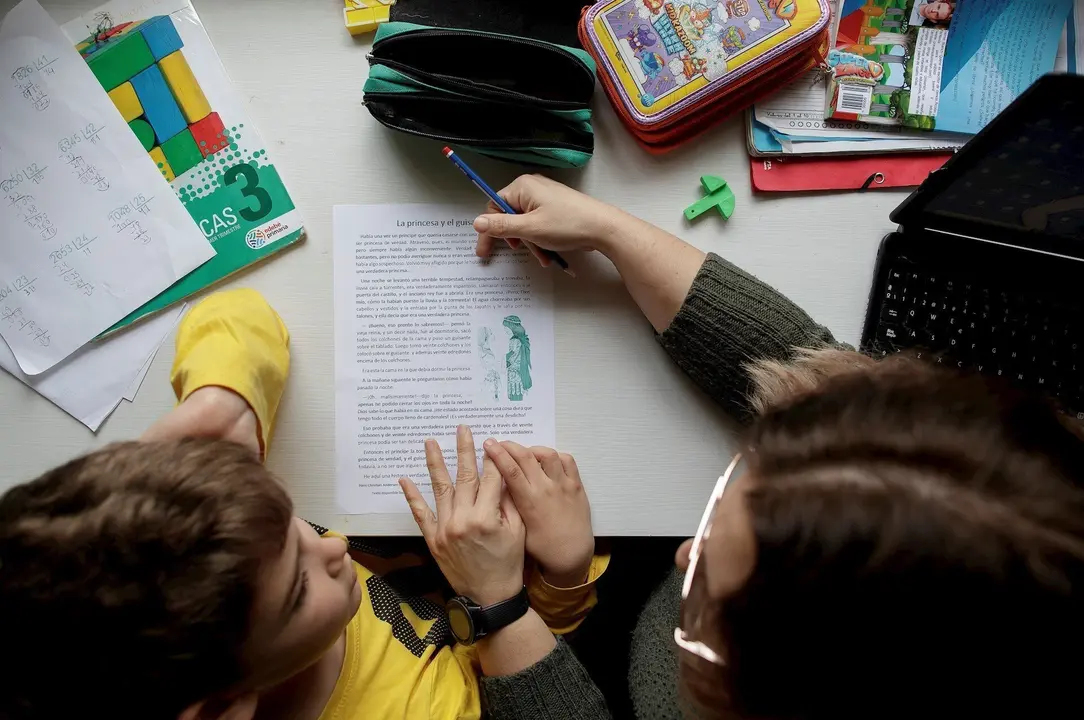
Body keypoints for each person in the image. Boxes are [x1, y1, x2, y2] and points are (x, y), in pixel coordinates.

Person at [402, 175, 1084, 719]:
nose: (682, 554)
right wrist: (610, 230)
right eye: (740, 478)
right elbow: (810, 373)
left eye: (708, 598)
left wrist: (500, 604)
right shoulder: (1016, 507)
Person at [0, 289, 609, 720]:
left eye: (294, 521)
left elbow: (237, 310)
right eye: (297, 590)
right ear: (218, 710)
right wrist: (552, 581)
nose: (337, 546)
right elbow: (531, 693)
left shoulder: (218, 553)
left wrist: (227, 400)